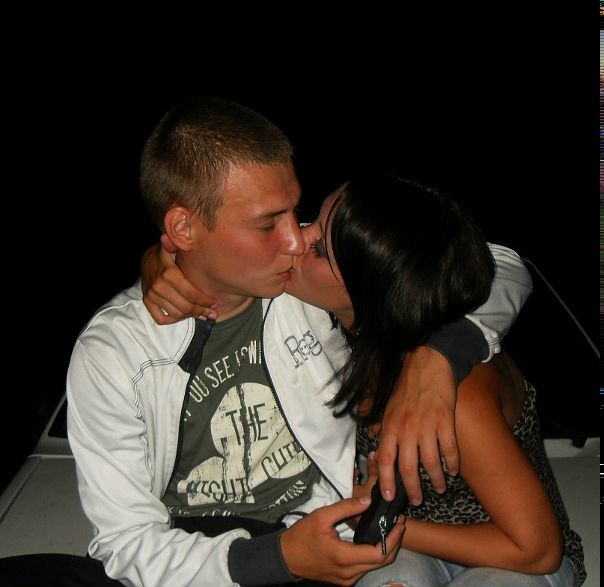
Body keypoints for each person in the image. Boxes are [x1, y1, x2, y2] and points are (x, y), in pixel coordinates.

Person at [0, 97, 530, 587]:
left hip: (329, 546)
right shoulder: (113, 354)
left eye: (294, 210)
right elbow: (126, 542)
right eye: (267, 223)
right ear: (183, 229)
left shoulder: (303, 286)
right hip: (205, 568)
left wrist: (440, 354)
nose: (296, 239)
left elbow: (493, 264)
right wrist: (277, 558)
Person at [281, 173, 586, 586]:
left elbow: (537, 549)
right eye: (314, 220)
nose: (296, 239)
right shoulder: (351, 339)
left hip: (514, 555)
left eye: (319, 249)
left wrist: (369, 517)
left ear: (371, 293)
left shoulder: (457, 396)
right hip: (416, 545)